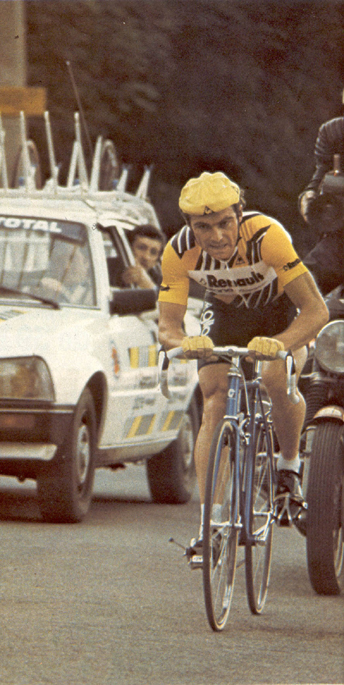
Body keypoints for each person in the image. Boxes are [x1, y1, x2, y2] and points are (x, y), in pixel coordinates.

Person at [158, 171, 329, 547]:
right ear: (190, 226)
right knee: (214, 396)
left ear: (240, 213)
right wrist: (186, 343)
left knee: (274, 377)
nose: (216, 236)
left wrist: (282, 343)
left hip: (279, 314)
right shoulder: (177, 250)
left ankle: (287, 467)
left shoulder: (268, 236)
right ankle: (210, 524)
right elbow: (167, 327)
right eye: (203, 226)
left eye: (225, 223)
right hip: (228, 318)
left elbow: (316, 311)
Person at [298, 115, 344, 294]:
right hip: (338, 242)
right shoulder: (334, 131)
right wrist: (309, 198)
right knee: (297, 291)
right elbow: (320, 177)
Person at [121, 224, 165, 289]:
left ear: (156, 261)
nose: (146, 257)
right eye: (141, 248)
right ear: (128, 248)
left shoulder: (163, 283)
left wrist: (149, 287)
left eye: (153, 252)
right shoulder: (107, 270)